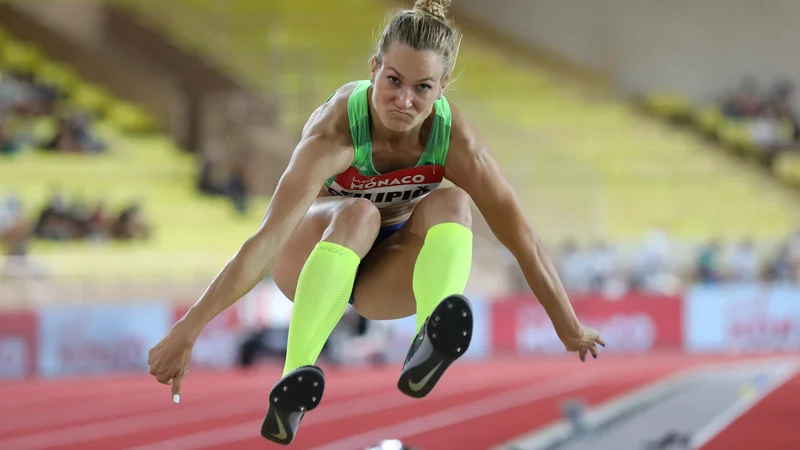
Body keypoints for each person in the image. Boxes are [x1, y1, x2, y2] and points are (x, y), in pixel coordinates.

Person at [146, 0, 605, 445]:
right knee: (357, 212)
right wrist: (190, 327)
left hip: (382, 275)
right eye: (393, 81)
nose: (404, 100)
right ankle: (293, 384)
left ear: (442, 88)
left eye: (422, 87)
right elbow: (267, 241)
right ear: (373, 69)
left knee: (455, 204)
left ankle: (430, 337)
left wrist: (569, 328)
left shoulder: (455, 142)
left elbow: (523, 240)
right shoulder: (337, 132)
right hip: (309, 261)